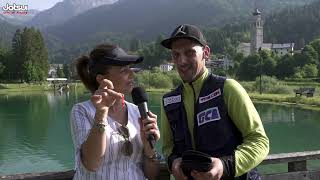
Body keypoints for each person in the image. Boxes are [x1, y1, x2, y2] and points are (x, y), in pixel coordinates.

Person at [160, 24, 269, 180]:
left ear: (206, 53)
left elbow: (259, 141)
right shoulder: (169, 101)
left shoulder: (228, 88)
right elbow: (168, 148)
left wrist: (225, 166)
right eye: (176, 55)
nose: (182, 61)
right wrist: (173, 161)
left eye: (190, 53)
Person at [70, 44, 160, 180]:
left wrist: (149, 150)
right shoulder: (82, 111)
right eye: (124, 70)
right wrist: (101, 113)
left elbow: (152, 175)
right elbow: (91, 164)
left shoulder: (137, 112)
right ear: (102, 79)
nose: (132, 74)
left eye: (131, 68)